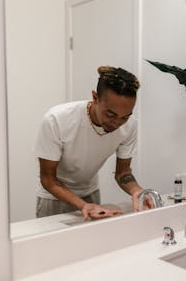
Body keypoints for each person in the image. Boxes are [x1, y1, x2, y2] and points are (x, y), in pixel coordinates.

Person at [35, 66, 154, 220]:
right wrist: (83, 205)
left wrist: (137, 191)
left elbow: (123, 173)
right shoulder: (56, 120)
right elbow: (48, 179)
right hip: (53, 197)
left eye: (125, 117)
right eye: (111, 114)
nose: (117, 123)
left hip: (90, 192)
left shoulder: (130, 125)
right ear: (95, 97)